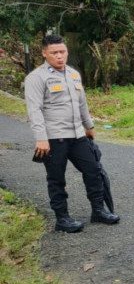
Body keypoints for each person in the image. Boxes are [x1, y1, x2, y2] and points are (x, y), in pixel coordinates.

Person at [25, 34, 120, 233]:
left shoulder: (73, 74)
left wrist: (89, 126)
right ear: (44, 53)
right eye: (54, 53)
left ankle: (98, 210)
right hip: (54, 138)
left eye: (62, 52)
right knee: (57, 178)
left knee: (93, 171)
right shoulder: (36, 78)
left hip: (77, 135)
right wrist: (41, 139)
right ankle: (62, 218)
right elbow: (34, 110)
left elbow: (81, 102)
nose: (59, 56)